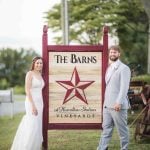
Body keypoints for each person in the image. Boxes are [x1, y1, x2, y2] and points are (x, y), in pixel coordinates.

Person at [97, 45, 131, 150]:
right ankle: (102, 148)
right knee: (106, 128)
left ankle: (124, 148)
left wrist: (119, 102)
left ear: (119, 54)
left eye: (115, 52)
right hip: (107, 105)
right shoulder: (109, 67)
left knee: (122, 130)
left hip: (117, 105)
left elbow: (124, 87)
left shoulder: (124, 68)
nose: (112, 54)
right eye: (111, 52)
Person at [11, 56, 45, 150]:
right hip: (31, 103)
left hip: (40, 103)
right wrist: (33, 106)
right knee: (32, 125)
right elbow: (27, 90)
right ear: (33, 64)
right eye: (37, 63)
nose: (39, 64)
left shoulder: (40, 75)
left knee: (37, 126)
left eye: (41, 63)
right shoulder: (30, 74)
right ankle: (25, 147)